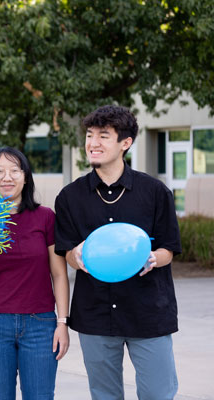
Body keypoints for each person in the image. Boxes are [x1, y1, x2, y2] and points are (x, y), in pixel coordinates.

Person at [54, 105, 181, 400]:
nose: (93, 143)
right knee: (105, 395)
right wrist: (78, 256)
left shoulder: (155, 192)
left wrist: (152, 258)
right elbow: (67, 252)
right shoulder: (70, 197)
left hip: (149, 313)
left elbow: (169, 249)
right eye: (89, 135)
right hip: (95, 315)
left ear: (126, 143)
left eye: (103, 136)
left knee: (158, 394)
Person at [0, 147, 69, 399]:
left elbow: (58, 274)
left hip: (41, 325)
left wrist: (62, 322)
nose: (7, 177)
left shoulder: (45, 217)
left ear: (26, 177)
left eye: (14, 170)